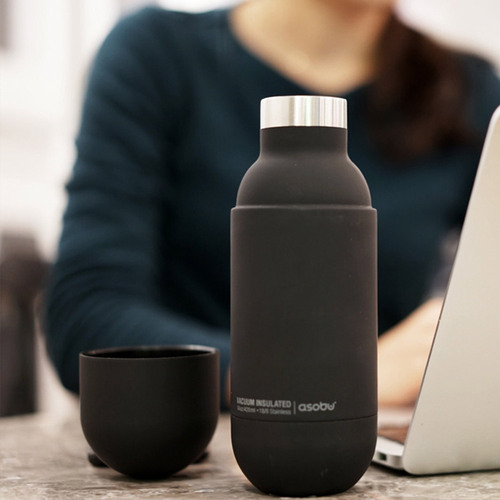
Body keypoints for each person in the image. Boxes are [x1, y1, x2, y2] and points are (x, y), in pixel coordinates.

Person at [44, 0, 500, 408]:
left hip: (367, 435)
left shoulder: (467, 89)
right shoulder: (157, 55)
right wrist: (324, 378)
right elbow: (87, 318)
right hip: (206, 439)